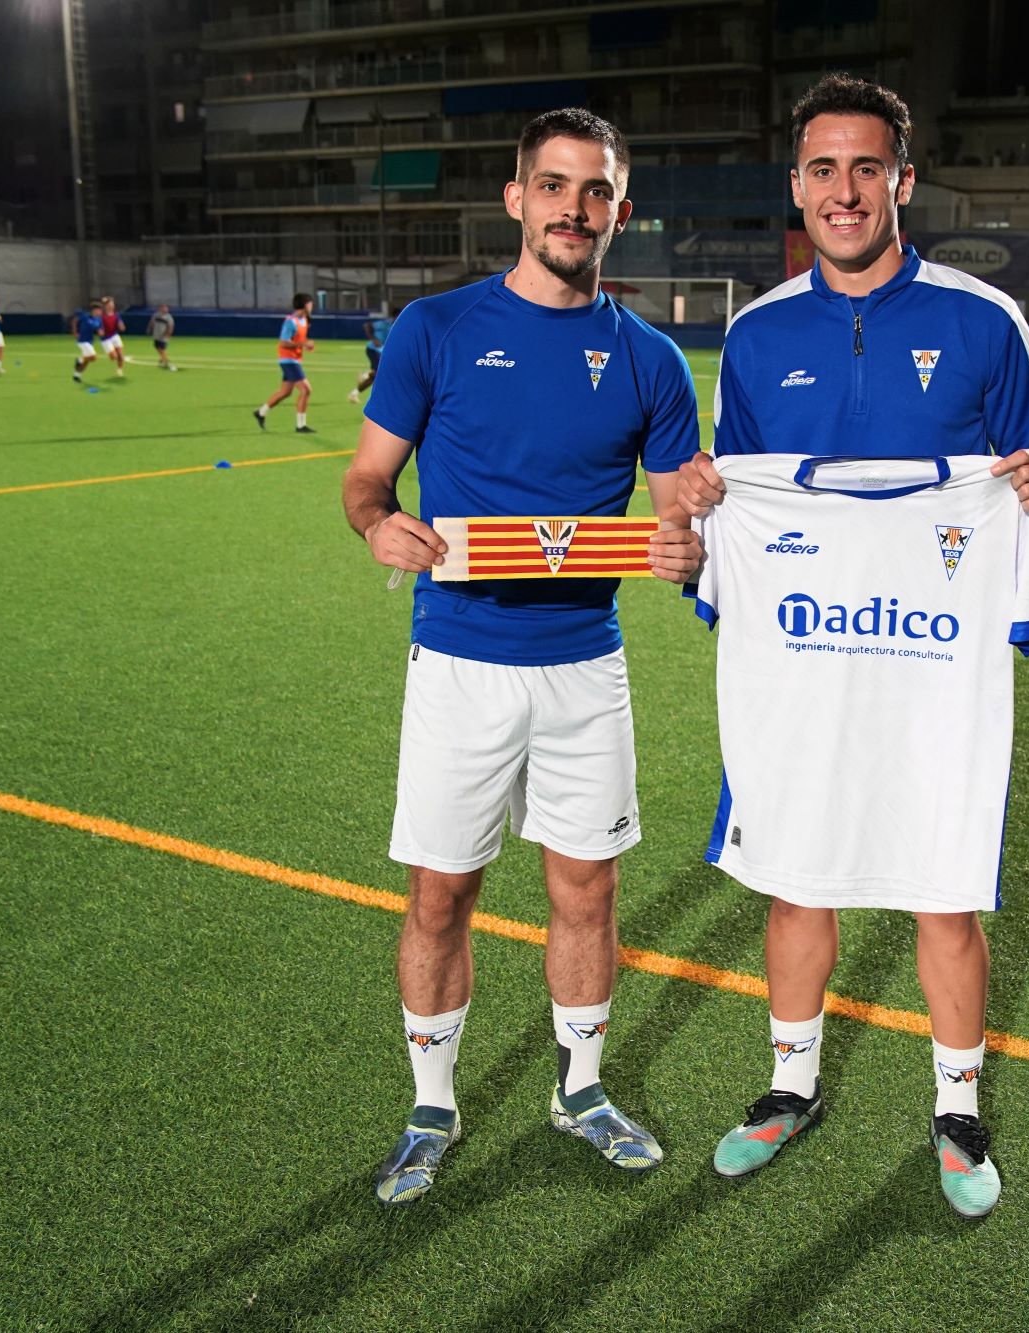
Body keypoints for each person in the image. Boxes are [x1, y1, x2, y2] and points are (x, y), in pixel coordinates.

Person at [673, 74, 1029, 1219]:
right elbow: (730, 503)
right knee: (795, 879)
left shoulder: (983, 322)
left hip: (929, 667)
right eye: (821, 169)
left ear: (902, 179)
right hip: (803, 664)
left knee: (942, 890)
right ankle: (789, 1085)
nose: (842, 191)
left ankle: (956, 1107)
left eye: (864, 167)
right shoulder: (755, 335)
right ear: (795, 187)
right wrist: (701, 512)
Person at [340, 107, 704, 1205]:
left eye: (595, 192)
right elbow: (365, 480)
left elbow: (678, 516)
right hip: (459, 661)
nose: (572, 209)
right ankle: (431, 1105)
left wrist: (686, 543)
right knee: (440, 893)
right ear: (515, 199)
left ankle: (580, 1090)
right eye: (553, 186)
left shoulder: (650, 358)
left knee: (586, 890)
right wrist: (378, 525)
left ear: (620, 211)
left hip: (586, 665)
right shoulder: (436, 328)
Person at [255, 293, 316, 432]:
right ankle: (300, 425)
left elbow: (298, 340)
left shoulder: (304, 320)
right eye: (310, 304)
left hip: (295, 360)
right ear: (305, 305)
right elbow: (283, 342)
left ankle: (261, 412)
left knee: (285, 392)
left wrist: (306, 344)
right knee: (306, 390)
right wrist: (303, 344)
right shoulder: (290, 321)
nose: (312, 307)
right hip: (288, 360)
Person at [348, 316, 382, 404]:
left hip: (382, 351)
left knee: (375, 377)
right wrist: (373, 338)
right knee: (377, 373)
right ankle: (365, 375)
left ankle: (354, 393)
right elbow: (367, 325)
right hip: (374, 350)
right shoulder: (385, 323)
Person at [72, 299, 103, 383]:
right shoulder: (85, 316)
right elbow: (75, 320)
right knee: (93, 357)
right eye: (99, 310)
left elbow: (99, 329)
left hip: (90, 341)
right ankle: (79, 360)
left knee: (87, 361)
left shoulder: (98, 320)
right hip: (82, 340)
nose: (100, 312)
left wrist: (100, 332)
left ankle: (77, 375)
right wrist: (75, 332)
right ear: (94, 310)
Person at [99, 297, 126, 376]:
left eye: (112, 304)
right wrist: (100, 330)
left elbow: (120, 323)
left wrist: (121, 326)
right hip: (106, 338)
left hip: (114, 336)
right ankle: (116, 357)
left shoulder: (116, 315)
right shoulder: (102, 316)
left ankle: (119, 369)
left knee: (120, 354)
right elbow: (98, 325)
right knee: (113, 357)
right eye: (109, 304)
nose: (111, 306)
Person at [147, 304, 176, 370]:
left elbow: (171, 326)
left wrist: (168, 334)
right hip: (156, 334)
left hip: (163, 335)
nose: (165, 309)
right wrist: (149, 329)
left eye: (166, 308)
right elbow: (152, 322)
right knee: (156, 346)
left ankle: (166, 361)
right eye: (163, 308)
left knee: (162, 348)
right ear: (160, 309)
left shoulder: (169, 317)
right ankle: (162, 358)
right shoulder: (156, 315)